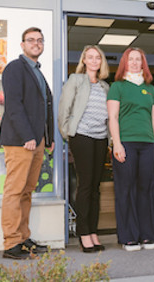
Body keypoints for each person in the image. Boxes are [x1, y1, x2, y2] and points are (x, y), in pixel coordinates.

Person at [0, 27, 54, 259]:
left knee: (27, 191)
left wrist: (48, 138)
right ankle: (11, 243)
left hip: (37, 141)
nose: (36, 44)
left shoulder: (38, 72)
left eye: (40, 40)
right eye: (31, 40)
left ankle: (23, 237)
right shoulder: (15, 68)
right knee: (14, 190)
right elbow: (14, 105)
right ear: (22, 45)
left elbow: (44, 107)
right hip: (21, 140)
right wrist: (27, 137)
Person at [107, 47, 154, 251]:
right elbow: (113, 118)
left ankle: (148, 235)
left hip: (148, 143)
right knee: (126, 189)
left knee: (146, 189)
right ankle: (128, 237)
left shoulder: (150, 89)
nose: (134, 63)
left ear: (143, 63)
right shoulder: (117, 87)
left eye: (137, 60)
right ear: (125, 62)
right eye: (130, 59)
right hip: (127, 143)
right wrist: (117, 143)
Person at [58, 45, 110, 253]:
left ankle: (94, 231)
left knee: (96, 187)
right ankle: (83, 233)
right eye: (91, 57)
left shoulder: (106, 86)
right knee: (85, 185)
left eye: (98, 57)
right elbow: (64, 109)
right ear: (84, 60)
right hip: (82, 136)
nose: (95, 61)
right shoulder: (76, 80)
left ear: (101, 62)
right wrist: (68, 133)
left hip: (101, 138)